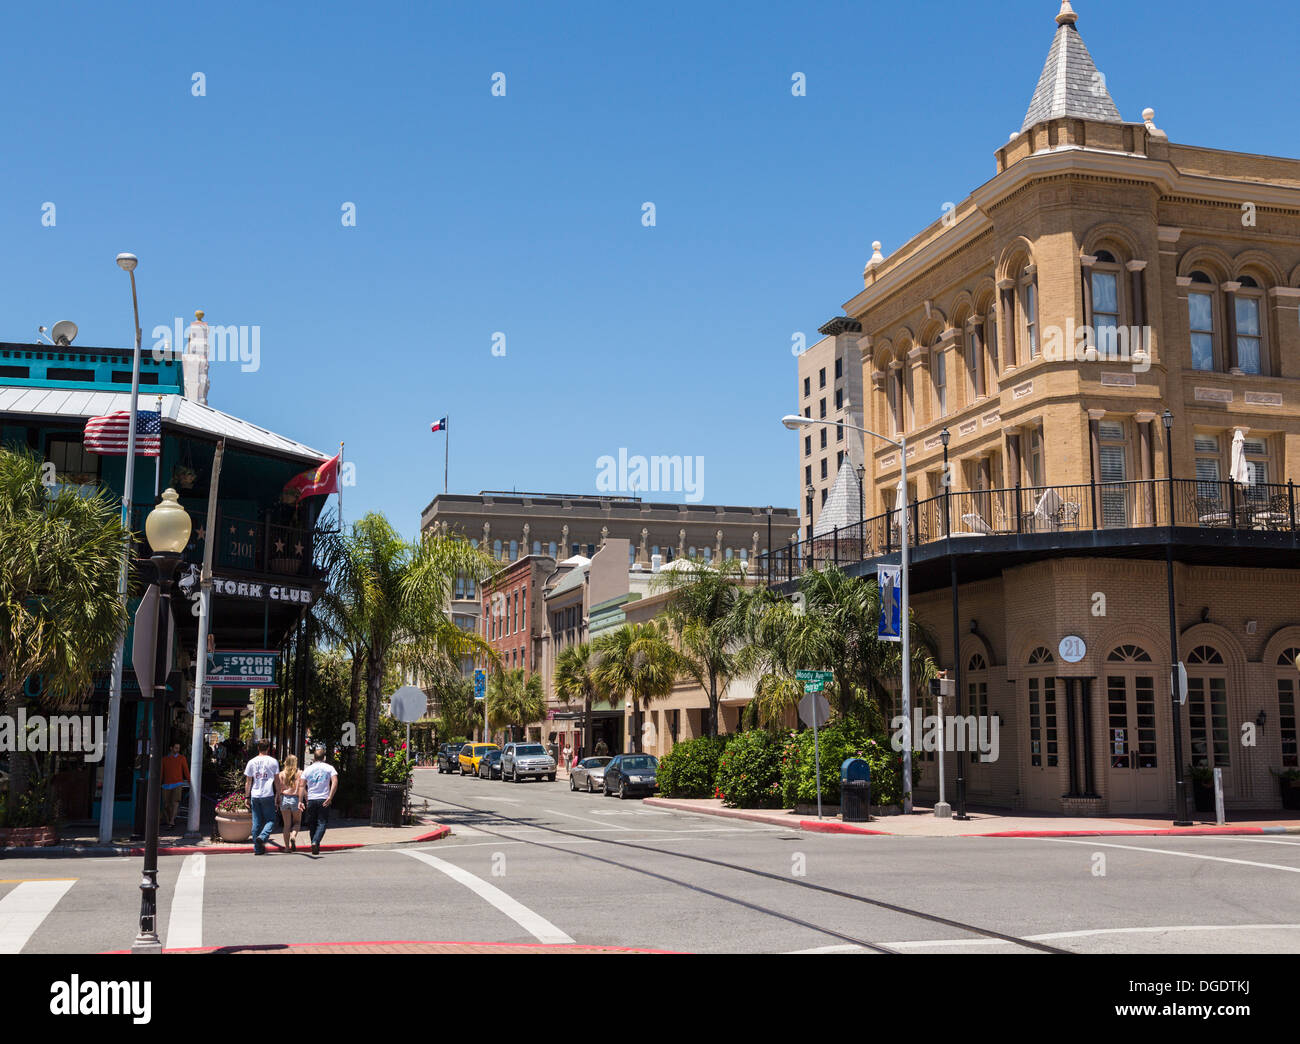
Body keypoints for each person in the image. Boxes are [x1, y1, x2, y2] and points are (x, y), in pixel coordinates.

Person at [243, 739, 280, 855]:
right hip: (267, 794)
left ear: (258, 748)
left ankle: (258, 849)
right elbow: (277, 781)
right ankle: (262, 837)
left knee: (256, 822)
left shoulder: (251, 762)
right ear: (268, 748)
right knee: (271, 820)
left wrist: (247, 797)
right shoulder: (273, 761)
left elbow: (248, 782)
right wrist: (278, 794)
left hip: (255, 794)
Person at [301, 745, 338, 856]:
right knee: (322, 822)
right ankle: (316, 841)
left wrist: (306, 797)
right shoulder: (329, 768)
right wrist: (330, 796)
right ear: (324, 757)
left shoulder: (308, 769)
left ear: (314, 758)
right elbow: (335, 781)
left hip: (312, 799)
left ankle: (314, 843)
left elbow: (302, 786)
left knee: (312, 823)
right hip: (323, 798)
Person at [275, 755, 307, 852]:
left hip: (284, 798)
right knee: (297, 823)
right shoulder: (300, 773)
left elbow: (279, 789)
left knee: (286, 825)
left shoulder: (281, 774)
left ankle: (287, 848)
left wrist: (277, 799)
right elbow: (302, 788)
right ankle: (293, 836)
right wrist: (306, 798)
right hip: (295, 799)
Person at [161, 742, 190, 829]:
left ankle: (172, 821)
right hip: (166, 784)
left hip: (178, 783)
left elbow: (186, 770)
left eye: (178, 748)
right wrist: (159, 783)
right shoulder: (164, 759)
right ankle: (169, 819)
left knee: (175, 802)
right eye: (176, 748)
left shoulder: (182, 758)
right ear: (171, 748)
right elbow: (161, 772)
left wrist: (189, 781)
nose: (177, 750)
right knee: (166, 804)